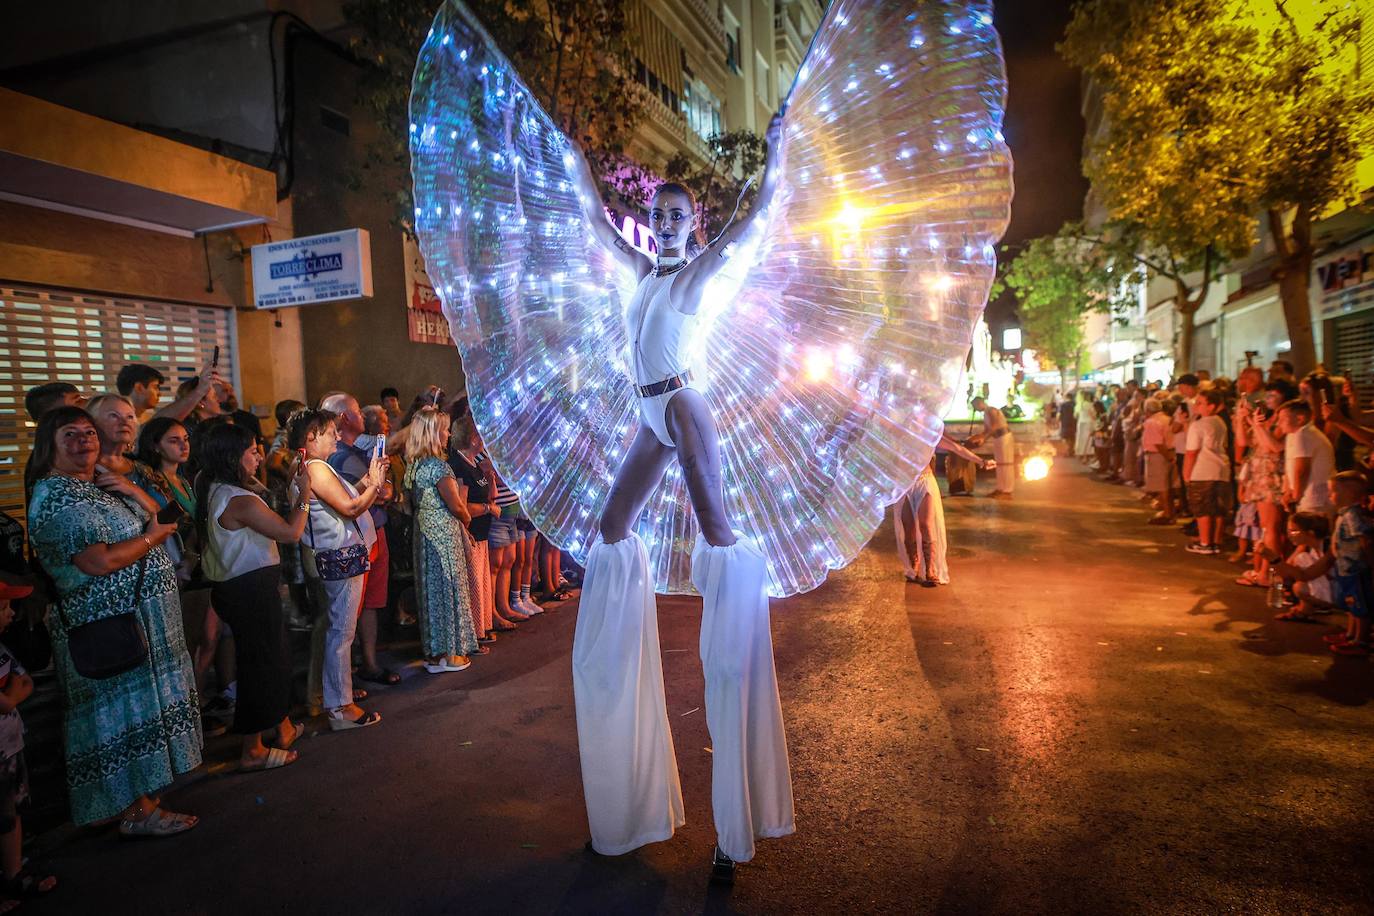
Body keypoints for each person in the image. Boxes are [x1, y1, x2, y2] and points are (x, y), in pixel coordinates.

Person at [565, 118, 795, 875]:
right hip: (648, 412)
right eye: (657, 213)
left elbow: (756, 219)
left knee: (721, 541)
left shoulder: (696, 274)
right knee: (610, 526)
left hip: (685, 406)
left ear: (689, 224)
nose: (664, 222)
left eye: (676, 215)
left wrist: (778, 146)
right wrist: (574, 160)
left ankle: (735, 810)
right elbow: (597, 223)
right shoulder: (644, 274)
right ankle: (628, 762)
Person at [25, 406, 201, 836]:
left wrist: (133, 492)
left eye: (89, 432)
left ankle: (142, 798)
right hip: (106, 625)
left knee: (138, 712)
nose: (84, 440)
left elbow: (170, 516)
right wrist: (151, 537)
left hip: (136, 621)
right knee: (121, 717)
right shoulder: (57, 495)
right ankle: (135, 810)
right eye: (71, 434)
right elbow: (97, 561)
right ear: (49, 443)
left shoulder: (96, 486)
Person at [196, 423, 309, 770]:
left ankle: (283, 727)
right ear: (232, 456)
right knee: (260, 663)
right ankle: (252, 749)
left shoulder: (211, 485)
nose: (259, 455)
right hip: (249, 586)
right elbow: (291, 532)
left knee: (269, 656)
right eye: (251, 450)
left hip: (236, 584)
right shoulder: (238, 499)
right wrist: (304, 494)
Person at [288, 407, 384, 731]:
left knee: (336, 631)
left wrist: (368, 480)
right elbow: (352, 507)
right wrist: (376, 486)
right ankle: (340, 708)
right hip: (337, 559)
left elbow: (342, 499)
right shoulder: (315, 468)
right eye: (331, 432)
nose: (338, 437)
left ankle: (332, 697)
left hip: (331, 557)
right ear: (311, 436)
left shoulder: (310, 466)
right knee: (341, 634)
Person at [320, 393, 399, 688]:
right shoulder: (334, 458)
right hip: (355, 539)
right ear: (342, 419)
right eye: (356, 411)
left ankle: (366, 664)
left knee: (368, 604)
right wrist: (377, 487)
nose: (363, 416)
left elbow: (383, 489)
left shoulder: (356, 452)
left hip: (372, 532)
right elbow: (363, 499)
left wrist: (380, 486)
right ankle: (343, 689)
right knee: (347, 613)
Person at [1261, 473, 1373, 653]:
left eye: (1333, 492)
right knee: (1352, 607)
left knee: (1360, 606)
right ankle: (1351, 635)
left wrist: (1369, 561)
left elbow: (1364, 540)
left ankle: (1361, 641)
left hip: (1355, 567)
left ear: (1350, 493)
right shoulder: (1343, 516)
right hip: (1347, 568)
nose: (1330, 496)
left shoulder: (1352, 516)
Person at [402, 407, 478, 672]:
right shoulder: (438, 467)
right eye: (444, 429)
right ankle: (450, 653)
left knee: (430, 592)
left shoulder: (413, 467)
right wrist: (466, 517)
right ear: (433, 433)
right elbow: (456, 506)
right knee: (449, 589)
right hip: (443, 535)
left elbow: (408, 505)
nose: (447, 434)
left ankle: (434, 652)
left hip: (424, 534)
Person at [0, 581, 57, 908]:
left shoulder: (3, 649)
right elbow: (11, 697)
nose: (12, 613)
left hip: (10, 747)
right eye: (4, 607)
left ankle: (13, 873)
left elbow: (25, 682)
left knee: (11, 812)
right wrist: (10, 697)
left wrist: (9, 697)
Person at [895, 435, 991, 586]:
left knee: (926, 524)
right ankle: (914, 564)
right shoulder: (898, 431)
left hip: (924, 481)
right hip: (904, 484)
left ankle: (930, 569)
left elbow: (956, 447)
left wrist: (981, 461)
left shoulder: (930, 433)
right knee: (908, 527)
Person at [448, 413, 506, 637]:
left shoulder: (474, 463)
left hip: (483, 533)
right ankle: (473, 635)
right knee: (472, 586)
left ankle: (483, 629)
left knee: (481, 584)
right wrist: (488, 509)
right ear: (473, 439)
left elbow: (490, 495)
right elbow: (463, 507)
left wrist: (490, 479)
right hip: (470, 534)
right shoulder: (459, 466)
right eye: (480, 435)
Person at [1183, 388, 1231, 555]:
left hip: (1202, 470)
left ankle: (1205, 542)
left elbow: (1191, 452)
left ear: (1211, 406)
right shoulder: (1220, 422)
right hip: (1221, 469)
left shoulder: (1199, 425)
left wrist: (1187, 473)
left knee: (1203, 509)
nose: (1196, 406)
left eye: (1201, 403)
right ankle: (1216, 541)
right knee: (1218, 508)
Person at [1268, 512, 1335, 622]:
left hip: (1346, 593)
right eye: (1288, 531)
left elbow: (1304, 575)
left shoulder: (1330, 549)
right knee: (1299, 582)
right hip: (1331, 587)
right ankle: (1304, 610)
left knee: (1300, 583)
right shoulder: (1309, 548)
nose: (1289, 535)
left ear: (1310, 533)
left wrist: (1272, 557)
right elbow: (1286, 575)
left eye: (1294, 531)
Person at [1278, 399, 1334, 518]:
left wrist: (1295, 498)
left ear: (1300, 418)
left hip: (1315, 499)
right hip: (1306, 497)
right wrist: (1287, 491)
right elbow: (1290, 467)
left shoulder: (1304, 434)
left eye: (1283, 419)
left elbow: (1302, 470)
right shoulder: (1293, 434)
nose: (1279, 423)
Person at [970, 396, 1015, 498]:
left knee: (1006, 464)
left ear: (979, 403)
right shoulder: (986, 413)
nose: (975, 409)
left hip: (1004, 437)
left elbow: (994, 426)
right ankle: (1000, 488)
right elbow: (987, 430)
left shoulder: (991, 410)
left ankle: (1007, 491)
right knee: (1000, 464)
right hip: (998, 438)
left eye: (975, 406)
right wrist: (981, 439)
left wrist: (983, 437)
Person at [1141, 398, 1174, 525]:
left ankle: (1167, 514)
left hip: (1159, 455)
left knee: (1162, 487)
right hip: (1168, 452)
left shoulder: (1152, 422)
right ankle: (1169, 512)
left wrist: (1168, 457)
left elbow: (1157, 443)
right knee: (1168, 486)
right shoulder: (1166, 418)